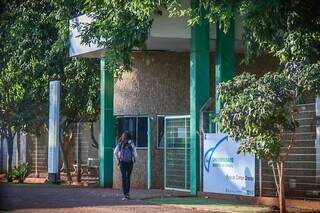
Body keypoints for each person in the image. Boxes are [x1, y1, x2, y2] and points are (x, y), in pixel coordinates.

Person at [114, 131, 137, 200]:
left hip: (122, 162)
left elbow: (115, 152)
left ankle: (125, 194)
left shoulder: (120, 144)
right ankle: (127, 193)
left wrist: (118, 160)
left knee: (124, 178)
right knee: (128, 177)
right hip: (130, 162)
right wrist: (134, 159)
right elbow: (135, 153)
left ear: (123, 136)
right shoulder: (131, 144)